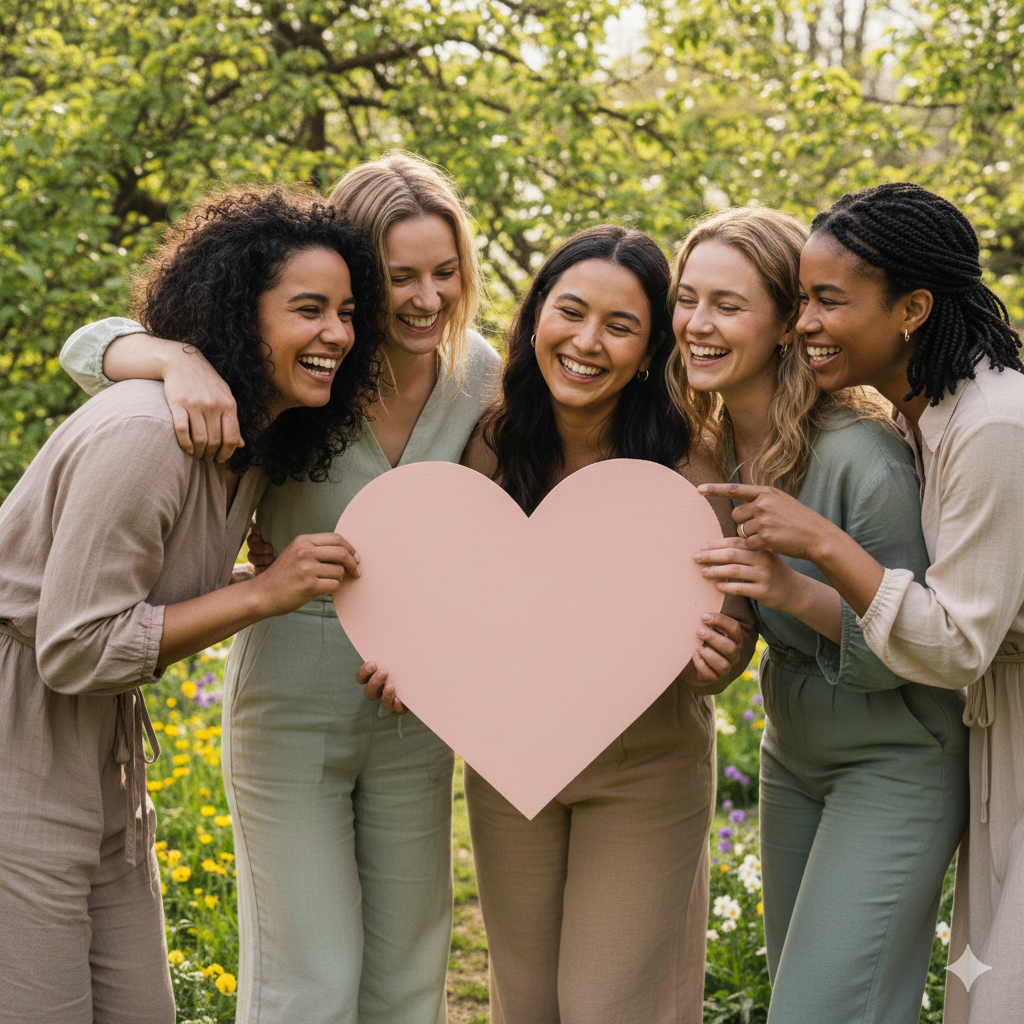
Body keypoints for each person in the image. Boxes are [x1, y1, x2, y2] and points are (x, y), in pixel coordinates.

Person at [59, 152, 501, 1024]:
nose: (426, 298)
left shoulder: (478, 373)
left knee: (409, 977)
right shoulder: (303, 364)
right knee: (312, 978)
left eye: (445, 273)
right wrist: (176, 362)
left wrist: (451, 646)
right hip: (290, 698)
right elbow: (82, 350)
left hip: (415, 705)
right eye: (399, 276)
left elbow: (489, 535)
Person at [0, 185, 382, 1024]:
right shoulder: (148, 433)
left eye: (348, 313)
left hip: (99, 741)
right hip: (18, 730)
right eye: (308, 310)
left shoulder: (247, 446)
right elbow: (73, 648)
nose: (337, 336)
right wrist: (259, 596)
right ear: (241, 318)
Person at [361, 225, 757, 1024]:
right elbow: (452, 609)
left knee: (611, 1005)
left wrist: (725, 654)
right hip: (516, 769)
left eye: (620, 326)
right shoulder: (494, 446)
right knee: (530, 1003)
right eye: (570, 312)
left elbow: (734, 622)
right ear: (536, 315)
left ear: (650, 350)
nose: (586, 342)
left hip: (646, 768)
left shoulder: (691, 465)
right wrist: (408, 659)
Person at [699, 183, 1024, 1024]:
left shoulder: (991, 425)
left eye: (827, 301)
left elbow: (954, 646)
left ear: (912, 308)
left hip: (941, 728)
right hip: (832, 742)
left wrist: (819, 550)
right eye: (801, 299)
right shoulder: (925, 412)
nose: (806, 321)